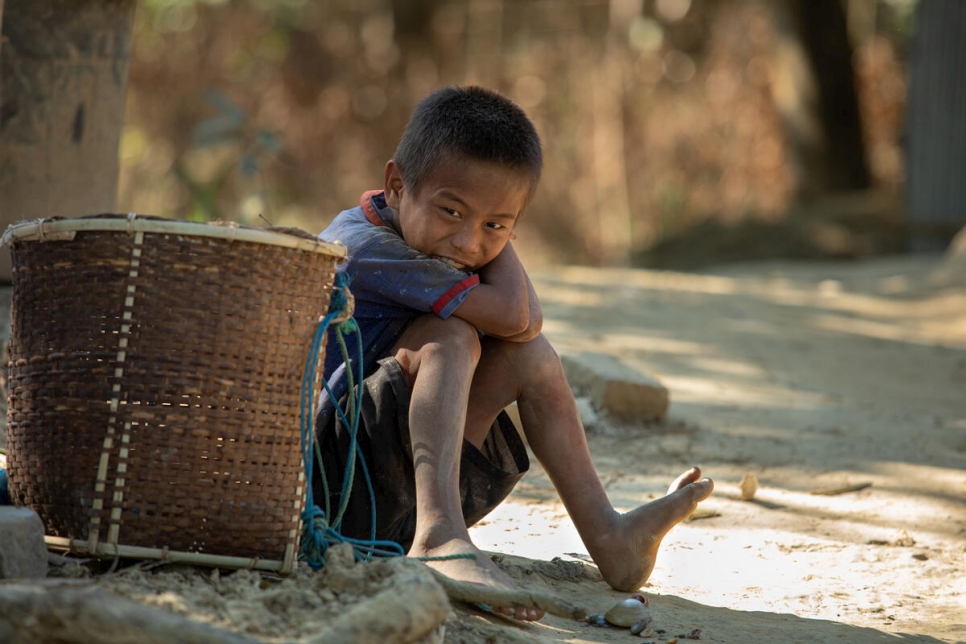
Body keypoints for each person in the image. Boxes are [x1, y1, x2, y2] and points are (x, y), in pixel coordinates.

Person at [314, 85, 713, 621]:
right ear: (396, 184)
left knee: (532, 357)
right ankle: (439, 537)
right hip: (330, 485)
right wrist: (497, 228)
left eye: (496, 225)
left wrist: (493, 224)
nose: (467, 242)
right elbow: (514, 314)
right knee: (450, 336)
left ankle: (611, 537)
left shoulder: (430, 236)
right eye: (451, 211)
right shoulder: (365, 246)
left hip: (389, 491)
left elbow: (527, 329)